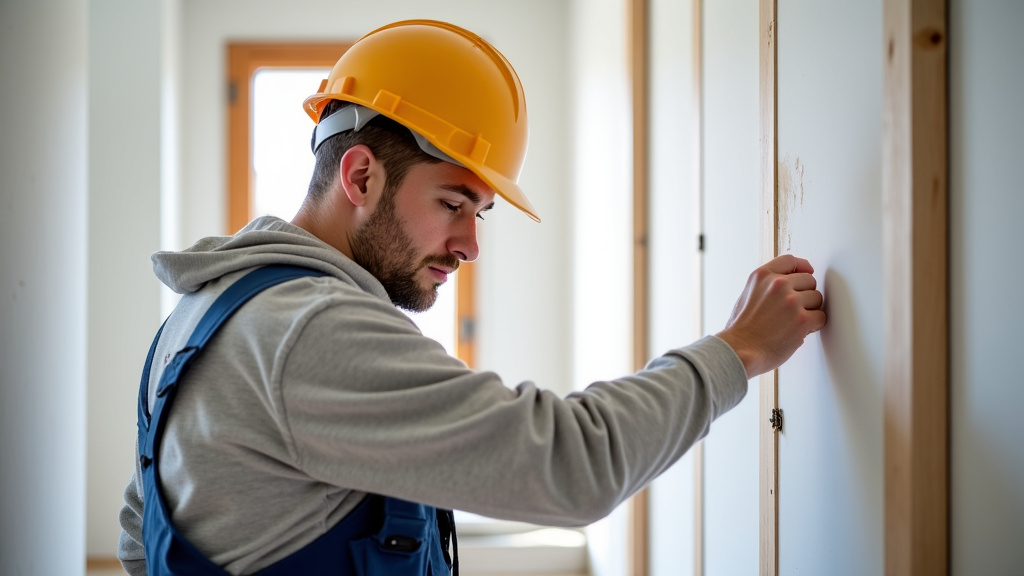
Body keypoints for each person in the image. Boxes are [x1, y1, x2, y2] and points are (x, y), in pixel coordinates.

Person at [118, 19, 826, 576]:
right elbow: (569, 467)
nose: (469, 245)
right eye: (453, 203)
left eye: (480, 213)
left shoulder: (202, 314)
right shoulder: (310, 330)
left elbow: (141, 536)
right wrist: (738, 350)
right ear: (361, 177)